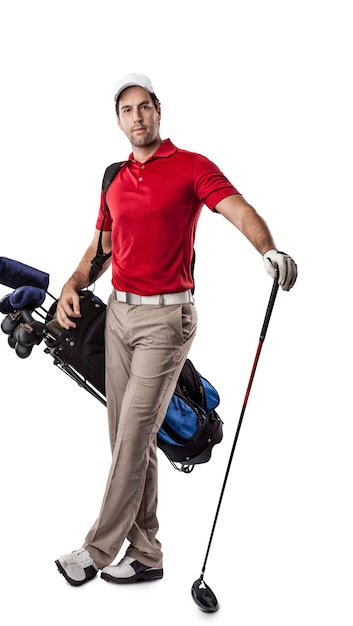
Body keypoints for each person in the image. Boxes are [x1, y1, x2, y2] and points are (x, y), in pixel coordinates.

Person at [54, 73, 298, 587]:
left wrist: (268, 249)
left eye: (145, 107)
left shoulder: (191, 166)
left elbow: (238, 209)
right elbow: (101, 247)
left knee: (135, 433)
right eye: (127, 110)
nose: (137, 117)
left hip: (168, 319)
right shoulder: (113, 178)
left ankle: (96, 552)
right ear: (118, 121)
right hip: (118, 313)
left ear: (158, 112)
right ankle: (147, 554)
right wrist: (76, 281)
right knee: (127, 438)